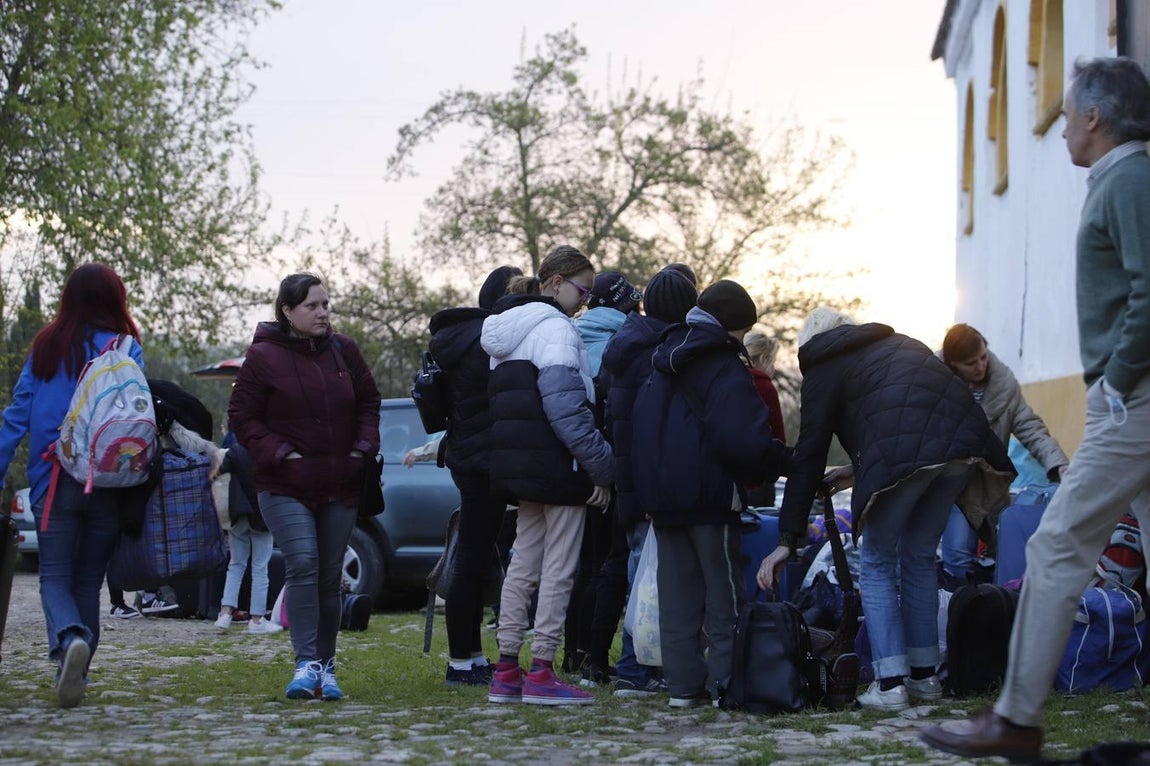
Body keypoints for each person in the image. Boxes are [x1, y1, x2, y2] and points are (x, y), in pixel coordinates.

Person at [922, 57, 1150, 762]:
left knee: (1054, 548)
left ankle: (1016, 719)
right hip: (1133, 396)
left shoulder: (1129, 178)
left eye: (1067, 113)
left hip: (1135, 401)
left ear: (1095, 117)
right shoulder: (1126, 178)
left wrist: (1116, 382)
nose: (1058, 131)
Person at [758, 307, 1014, 712]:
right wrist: (856, 471)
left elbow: (810, 455)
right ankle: (926, 677)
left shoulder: (824, 364)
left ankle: (891, 683)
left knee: (877, 559)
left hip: (913, 455)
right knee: (918, 557)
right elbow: (909, 422)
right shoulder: (899, 345)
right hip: (963, 448)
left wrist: (788, 537)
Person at [632, 279, 791, 707]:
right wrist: (782, 459)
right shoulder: (723, 365)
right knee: (723, 597)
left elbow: (639, 431)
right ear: (732, 325)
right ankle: (728, 683)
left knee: (678, 598)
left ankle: (683, 687)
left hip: (662, 501)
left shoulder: (661, 360)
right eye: (742, 330)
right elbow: (741, 441)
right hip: (710, 496)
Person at [228, 273, 381, 701]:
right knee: (303, 563)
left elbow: (370, 402)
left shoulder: (344, 350)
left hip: (340, 482)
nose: (322, 312)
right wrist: (280, 453)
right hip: (285, 484)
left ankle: (327, 669)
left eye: (326, 304)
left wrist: (361, 449)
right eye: (312, 305)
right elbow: (242, 417)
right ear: (288, 311)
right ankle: (306, 662)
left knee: (330, 577)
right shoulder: (262, 356)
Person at [0, 263, 147, 708]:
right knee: (88, 580)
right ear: (114, 298)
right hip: (107, 477)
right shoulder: (125, 346)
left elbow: (17, 416)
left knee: (55, 576)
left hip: (54, 478)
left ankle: (68, 641)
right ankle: (77, 671)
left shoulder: (47, 345)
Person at [482, 245, 614, 706]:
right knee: (558, 569)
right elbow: (566, 409)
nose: (585, 301)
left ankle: (505, 671)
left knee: (522, 564)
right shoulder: (556, 329)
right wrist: (603, 467)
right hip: (560, 466)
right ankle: (541, 671)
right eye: (583, 290)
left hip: (521, 469)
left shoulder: (504, 333)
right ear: (556, 282)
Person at [600, 266, 698, 697]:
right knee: (652, 574)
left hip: (628, 473)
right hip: (659, 475)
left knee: (639, 568)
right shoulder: (667, 351)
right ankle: (636, 669)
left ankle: (638, 667)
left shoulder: (623, 347)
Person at [427, 265, 522, 686]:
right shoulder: (487, 341)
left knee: (480, 556)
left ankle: (474, 657)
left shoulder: (460, 338)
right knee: (470, 558)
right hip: (482, 460)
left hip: (467, 455)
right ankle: (459, 663)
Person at [937, 323, 1069, 587]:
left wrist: (1060, 464)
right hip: (950, 488)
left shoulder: (1005, 387)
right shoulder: (934, 386)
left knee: (1008, 562)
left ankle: (995, 617)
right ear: (953, 365)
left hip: (989, 487)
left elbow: (1032, 429)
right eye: (970, 363)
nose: (980, 366)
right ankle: (961, 618)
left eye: (984, 357)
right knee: (957, 563)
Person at [563, 270, 642, 680]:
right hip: (608, 466)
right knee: (610, 561)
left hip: (573, 463)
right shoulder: (623, 344)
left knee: (581, 564)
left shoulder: (572, 334)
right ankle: (595, 657)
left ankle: (572, 654)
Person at [214, 435, 282, 635]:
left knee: (235, 565)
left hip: (238, 516)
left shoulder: (236, 450)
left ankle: (225, 614)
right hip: (263, 516)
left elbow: (218, 472)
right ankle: (257, 620)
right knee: (260, 568)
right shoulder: (271, 450)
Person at [743, 328, 788, 508]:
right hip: (758, 481)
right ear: (763, 359)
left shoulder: (722, 378)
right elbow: (778, 438)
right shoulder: (763, 385)